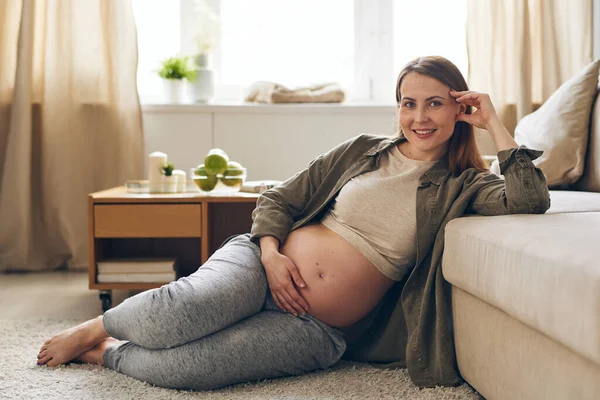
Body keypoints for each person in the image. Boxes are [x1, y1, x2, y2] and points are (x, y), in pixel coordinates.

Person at [36, 56, 550, 391]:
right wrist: (271, 256)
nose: (419, 116)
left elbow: (529, 200)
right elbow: (280, 197)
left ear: (460, 109)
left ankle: (103, 354)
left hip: (318, 327)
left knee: (185, 370)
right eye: (408, 103)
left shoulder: (465, 185)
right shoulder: (362, 151)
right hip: (261, 264)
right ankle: (95, 325)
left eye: (435, 103)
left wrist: (495, 123)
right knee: (184, 311)